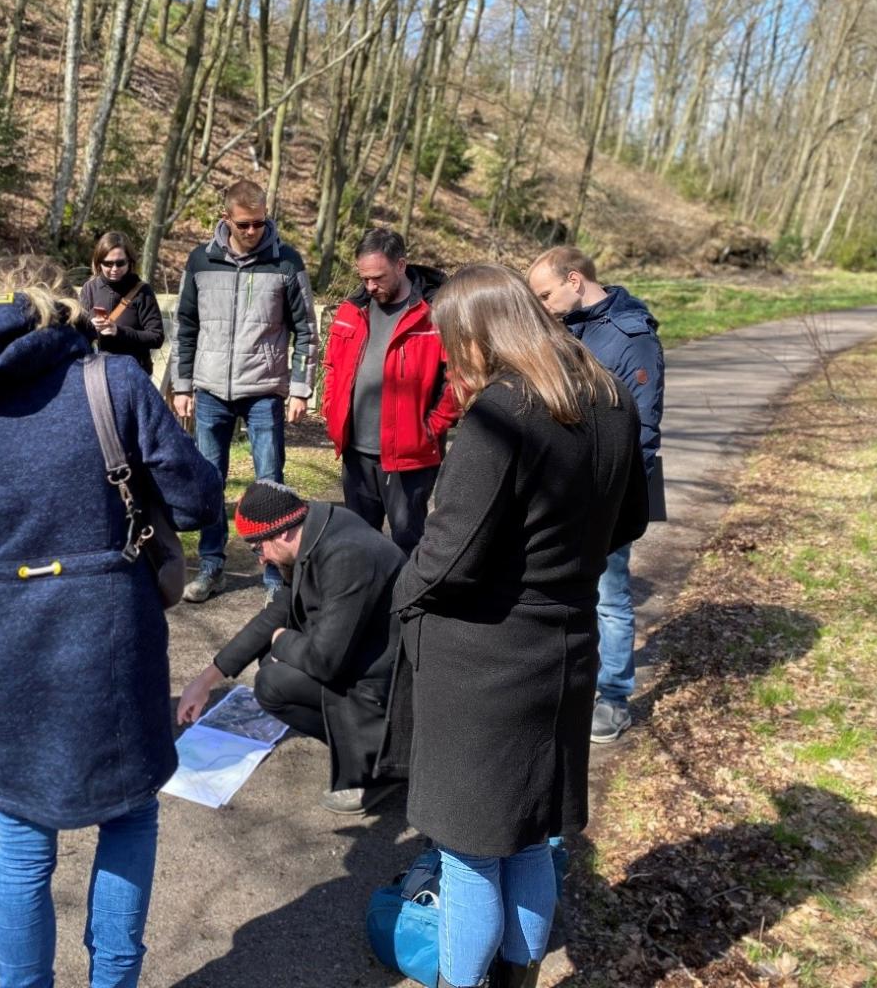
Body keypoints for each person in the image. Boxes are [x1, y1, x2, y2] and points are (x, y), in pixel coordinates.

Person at [0, 260, 223, 988]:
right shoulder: (112, 382)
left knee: (22, 842)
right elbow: (196, 500)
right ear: (62, 319)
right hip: (111, 636)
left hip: (5, 640)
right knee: (126, 816)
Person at [384, 264, 649, 988]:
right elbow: (628, 520)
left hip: (485, 665)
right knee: (532, 837)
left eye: (449, 344)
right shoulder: (609, 394)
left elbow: (446, 558)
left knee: (472, 853)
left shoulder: (505, 411)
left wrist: (399, 594)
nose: (445, 359)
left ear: (477, 334)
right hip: (567, 648)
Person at [177, 480, 406, 815]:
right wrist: (207, 678)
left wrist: (283, 639)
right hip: (363, 655)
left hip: (392, 678)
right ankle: (359, 745)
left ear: (282, 533)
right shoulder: (313, 530)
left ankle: (380, 762)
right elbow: (278, 610)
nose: (261, 560)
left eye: (258, 548)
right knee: (272, 669)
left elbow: (326, 662)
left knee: (273, 681)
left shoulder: (347, 556)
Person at [526, 246, 664, 744]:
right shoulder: (566, 326)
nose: (541, 306)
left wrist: (611, 500)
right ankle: (570, 681)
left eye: (545, 294)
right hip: (561, 487)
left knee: (610, 596)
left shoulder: (633, 339)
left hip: (609, 493)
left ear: (575, 280)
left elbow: (644, 432)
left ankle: (613, 696)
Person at [172, 178, 319, 604]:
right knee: (209, 481)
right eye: (244, 224)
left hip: (264, 391)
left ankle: (275, 575)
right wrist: (183, 384)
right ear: (226, 220)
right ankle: (212, 565)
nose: (253, 231)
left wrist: (299, 389)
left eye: (260, 223)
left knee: (270, 483)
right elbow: (185, 327)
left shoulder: (286, 261)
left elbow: (306, 330)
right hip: (211, 389)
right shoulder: (200, 261)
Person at [321, 228, 461, 555]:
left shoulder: (436, 313)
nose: (370, 286)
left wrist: (433, 427)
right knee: (356, 542)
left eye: (378, 277)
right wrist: (331, 410)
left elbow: (460, 378)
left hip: (410, 456)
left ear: (401, 265)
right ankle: (365, 604)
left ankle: (406, 606)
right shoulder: (350, 310)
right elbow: (331, 367)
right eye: (364, 278)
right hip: (355, 452)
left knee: (408, 542)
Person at [79, 231, 165, 377]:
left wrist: (119, 332)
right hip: (98, 374)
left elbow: (156, 337)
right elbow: (77, 331)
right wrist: (90, 326)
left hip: (133, 374)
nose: (114, 269)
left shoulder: (142, 291)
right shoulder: (90, 288)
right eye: (108, 263)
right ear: (99, 262)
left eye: (120, 263)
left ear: (129, 261)